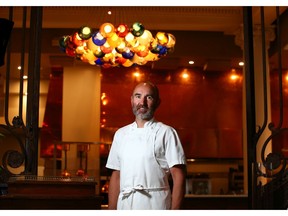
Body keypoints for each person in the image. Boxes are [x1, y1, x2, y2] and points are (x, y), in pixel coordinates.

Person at [106, 81, 186, 210]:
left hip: (156, 205)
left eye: (149, 97)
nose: (142, 102)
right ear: (132, 100)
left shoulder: (167, 133)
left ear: (157, 102)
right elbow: (116, 176)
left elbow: (179, 177)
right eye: (138, 96)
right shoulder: (120, 134)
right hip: (125, 205)